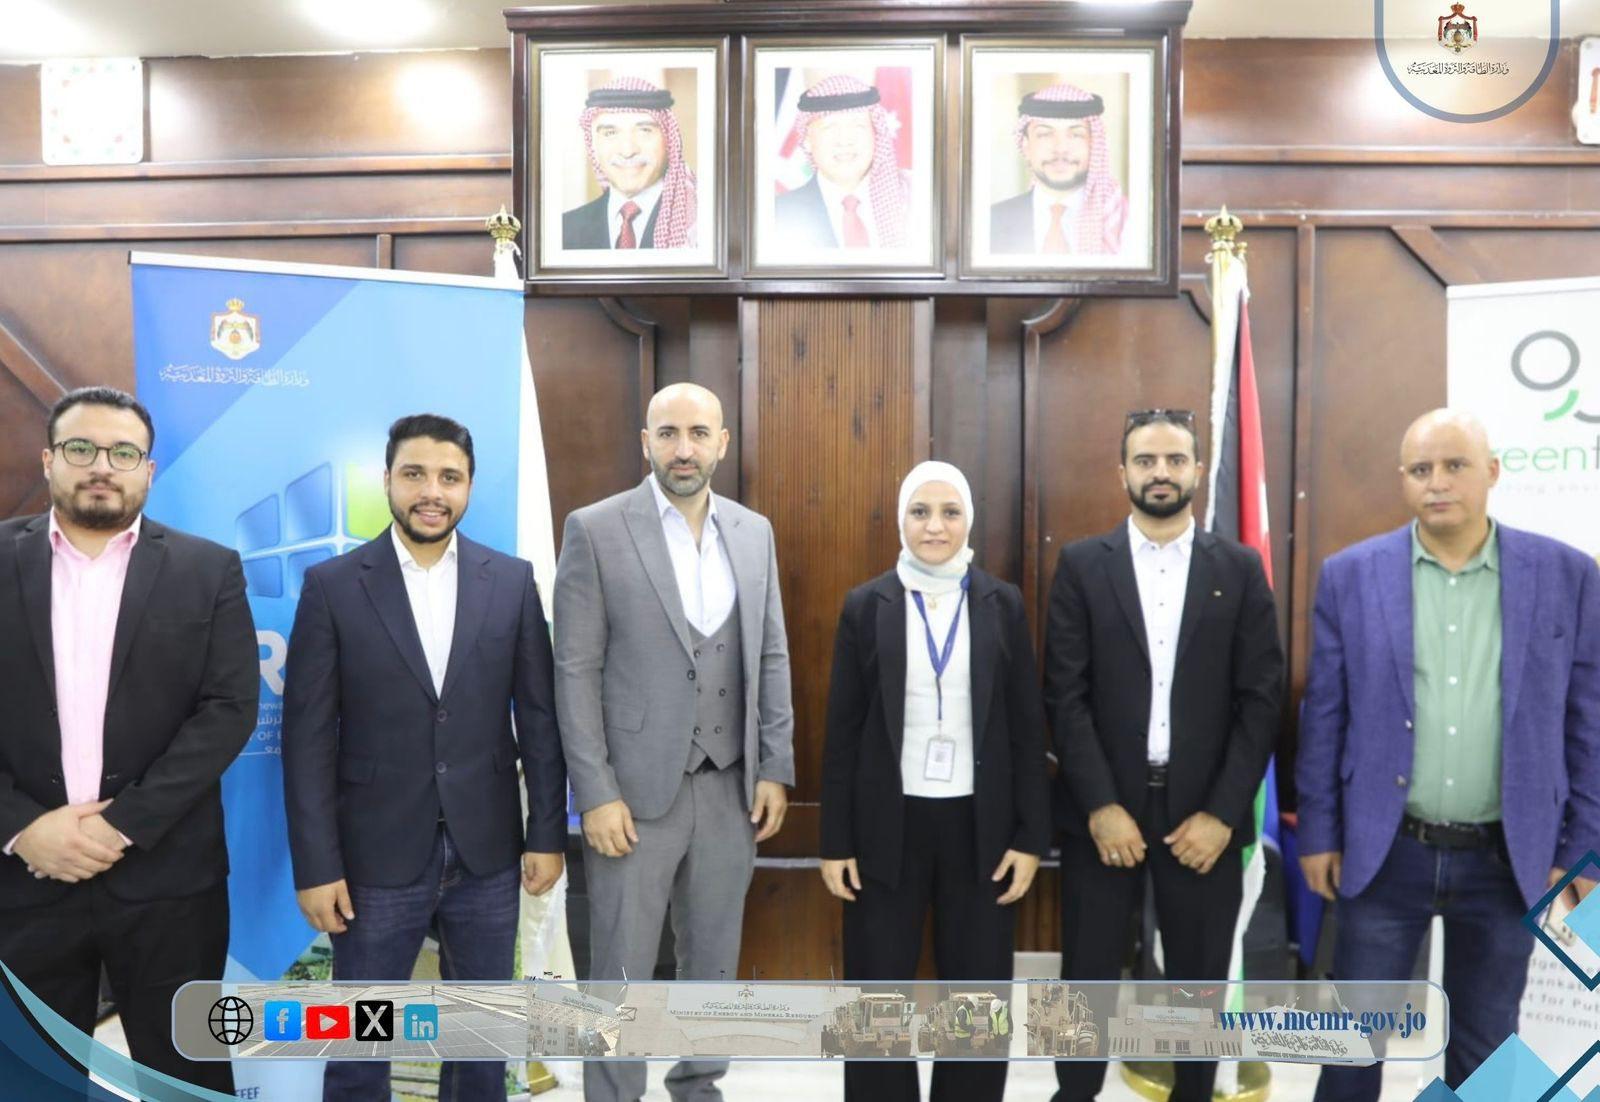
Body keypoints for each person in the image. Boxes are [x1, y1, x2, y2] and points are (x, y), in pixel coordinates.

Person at [1297, 409, 1600, 1099]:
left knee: (1486, 1051)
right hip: (1384, 853)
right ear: (1403, 480)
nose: (1437, 482)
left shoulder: (1568, 575)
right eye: (1420, 469)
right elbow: (1324, 716)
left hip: (1508, 859)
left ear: (1491, 472)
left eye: (1454, 465)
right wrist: (1317, 831)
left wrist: (1582, 847)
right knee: (1350, 1051)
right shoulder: (1351, 575)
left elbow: (1589, 724)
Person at [281, 413, 566, 1102]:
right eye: (414, 474)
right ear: (387, 480)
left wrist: (547, 835)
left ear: (469, 487)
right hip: (373, 856)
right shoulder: (333, 585)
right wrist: (317, 866)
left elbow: (538, 719)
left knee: (479, 1042)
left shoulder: (512, 581)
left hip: (488, 852)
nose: (431, 492)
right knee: (362, 1044)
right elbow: (308, 738)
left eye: (449, 477)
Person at [0, 386, 258, 1095]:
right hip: (24, 879)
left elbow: (229, 709)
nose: (101, 466)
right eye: (81, 448)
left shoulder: (208, 569)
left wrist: (120, 826)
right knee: (29, 1080)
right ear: (49, 460)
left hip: (170, 884)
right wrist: (22, 828)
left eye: (123, 453)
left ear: (149, 469)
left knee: (186, 1080)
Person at [553, 382, 794, 1102]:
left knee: (713, 959)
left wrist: (774, 766)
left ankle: (698, 1086)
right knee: (620, 968)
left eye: (697, 433)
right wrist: (595, 793)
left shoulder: (753, 532)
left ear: (722, 443)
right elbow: (574, 671)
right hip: (632, 794)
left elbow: (771, 654)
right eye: (668, 434)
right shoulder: (595, 529)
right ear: (646, 442)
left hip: (731, 786)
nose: (683, 449)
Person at [1044, 408, 1283, 1102]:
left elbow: (1260, 702)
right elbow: (1064, 694)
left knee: (1198, 982)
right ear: (1122, 472)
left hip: (1202, 819)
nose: (1160, 473)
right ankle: (1073, 1095)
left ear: (1198, 471)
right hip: (1103, 813)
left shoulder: (1238, 569)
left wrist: (1222, 813)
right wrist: (1099, 805)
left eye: (1175, 460)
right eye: (1145, 460)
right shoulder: (1083, 565)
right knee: (1084, 978)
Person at [820, 461, 1049, 1102]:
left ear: (968, 520)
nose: (935, 526)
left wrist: (1030, 837)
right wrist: (835, 841)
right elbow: (841, 734)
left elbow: (1027, 729)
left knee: (976, 997)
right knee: (877, 997)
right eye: (920, 511)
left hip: (981, 826)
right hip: (885, 827)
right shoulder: (866, 605)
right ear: (901, 520)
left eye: (950, 512)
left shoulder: (1002, 603)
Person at [990, 82, 1130, 257]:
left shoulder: (1125, 220)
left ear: (1094, 145)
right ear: (1026, 146)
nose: (1061, 148)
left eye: (1076, 135)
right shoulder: (990, 221)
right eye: (1045, 134)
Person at [774, 74, 911, 251]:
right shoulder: (778, 215)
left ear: (876, 133)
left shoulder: (912, 202)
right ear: (807, 139)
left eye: (858, 126)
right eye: (830, 128)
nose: (845, 140)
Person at [563, 76, 698, 251]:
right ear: (593, 146)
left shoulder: (701, 223)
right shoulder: (565, 230)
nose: (627, 151)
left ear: (669, 141)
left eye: (645, 131)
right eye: (610, 133)